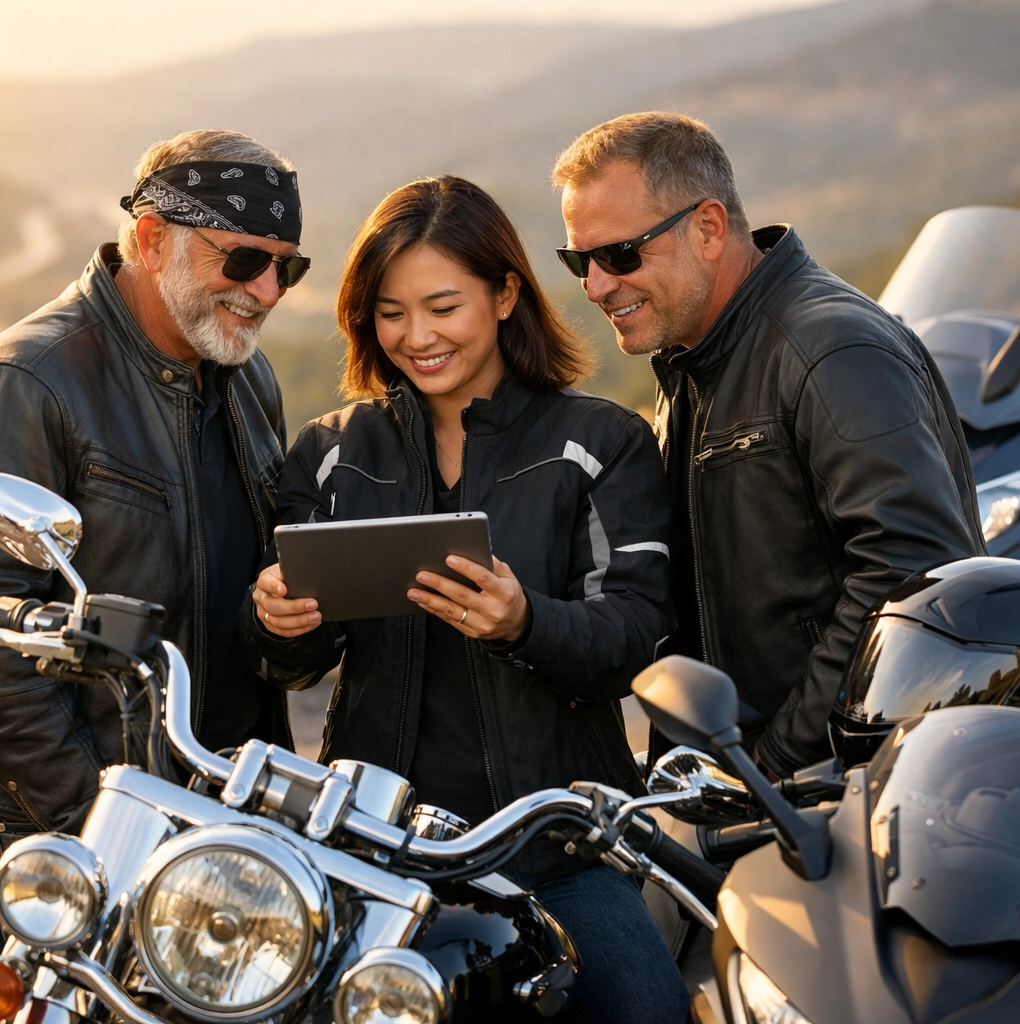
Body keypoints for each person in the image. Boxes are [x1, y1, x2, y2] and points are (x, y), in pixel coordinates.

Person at [244, 175, 688, 1023]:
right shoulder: (332, 453)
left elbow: (635, 630)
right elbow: (289, 660)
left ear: (506, 292)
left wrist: (526, 623)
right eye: (390, 313)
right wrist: (279, 621)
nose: (417, 337)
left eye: (442, 307)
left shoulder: (600, 442)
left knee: (647, 1010)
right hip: (375, 847)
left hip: (560, 849)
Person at [0, 129, 307, 959]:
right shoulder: (27, 382)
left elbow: (235, 585)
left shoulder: (246, 375)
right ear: (153, 236)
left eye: (288, 267)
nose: (268, 290)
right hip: (68, 826)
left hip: (215, 815)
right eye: (242, 261)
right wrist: (98, 820)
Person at [553, 112, 985, 780]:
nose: (595, 285)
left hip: (841, 790)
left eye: (619, 255)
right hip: (752, 782)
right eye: (579, 260)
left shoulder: (830, 349)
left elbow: (911, 573)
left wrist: (776, 760)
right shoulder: (695, 358)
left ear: (708, 228)